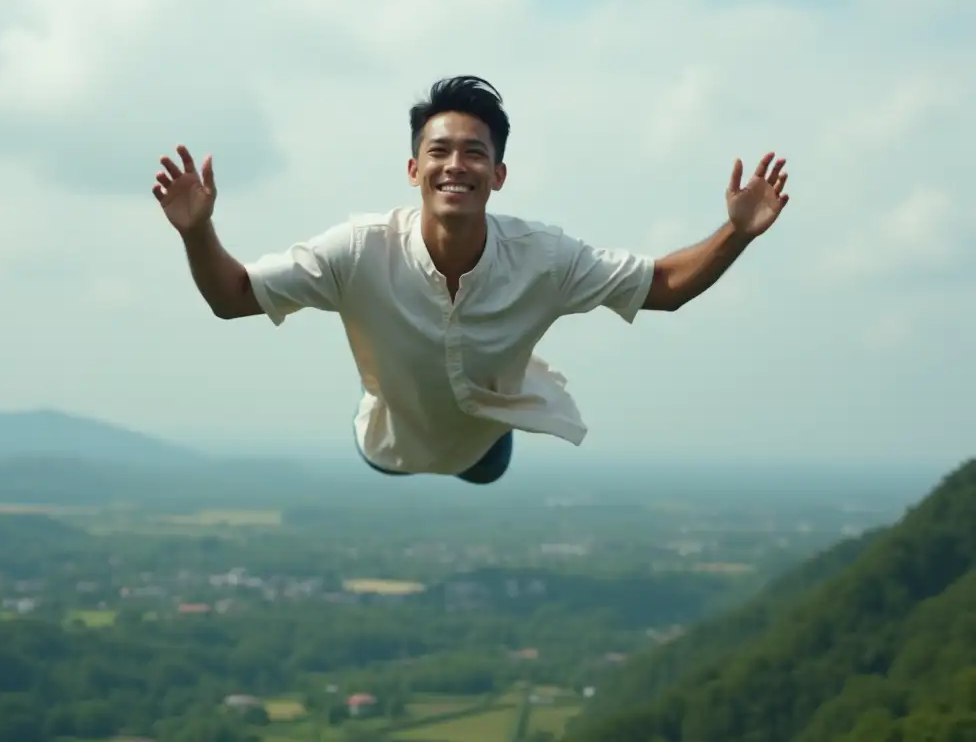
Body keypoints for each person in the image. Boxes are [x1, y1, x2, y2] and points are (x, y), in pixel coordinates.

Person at [153, 76, 789, 485]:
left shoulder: (544, 258)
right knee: (383, 453)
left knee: (486, 466)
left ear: (499, 174)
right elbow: (232, 299)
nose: (456, 164)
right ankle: (383, 394)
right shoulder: (357, 250)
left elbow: (664, 287)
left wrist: (737, 231)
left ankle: (488, 417)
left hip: (485, 439)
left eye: (475, 152)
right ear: (412, 168)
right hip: (391, 438)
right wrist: (196, 231)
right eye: (439, 151)